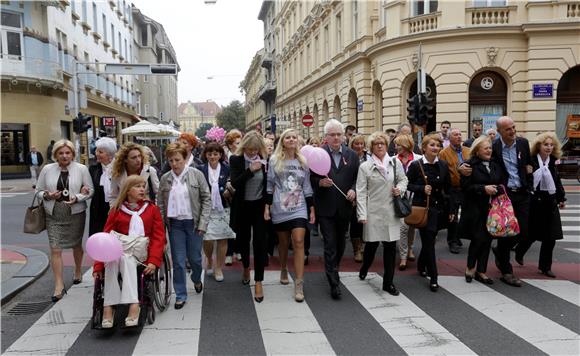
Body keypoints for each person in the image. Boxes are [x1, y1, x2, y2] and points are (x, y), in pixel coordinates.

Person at [93, 176, 165, 327]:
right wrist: (98, 265)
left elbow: (159, 237)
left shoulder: (152, 209)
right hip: (120, 252)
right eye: (137, 186)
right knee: (114, 259)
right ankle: (109, 306)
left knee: (127, 259)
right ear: (127, 191)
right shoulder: (117, 210)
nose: (142, 189)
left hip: (142, 254)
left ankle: (134, 304)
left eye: (143, 186)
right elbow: (105, 239)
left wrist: (153, 261)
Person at [36, 139, 94, 302]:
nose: (64, 156)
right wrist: (47, 195)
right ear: (55, 155)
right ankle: (59, 285)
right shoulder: (47, 169)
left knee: (76, 244)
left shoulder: (81, 169)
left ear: (73, 154)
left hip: (75, 212)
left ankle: (77, 271)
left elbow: (91, 190)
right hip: (53, 213)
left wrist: (78, 197)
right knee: (55, 248)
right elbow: (39, 190)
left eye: (67, 153)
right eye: (61, 153)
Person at [310, 119, 359, 299]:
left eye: (339, 134)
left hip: (345, 206)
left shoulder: (352, 155)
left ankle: (334, 267)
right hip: (326, 207)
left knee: (340, 244)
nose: (336, 137)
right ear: (326, 137)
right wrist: (319, 182)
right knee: (330, 244)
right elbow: (310, 178)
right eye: (332, 135)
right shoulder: (318, 154)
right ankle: (333, 281)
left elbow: (357, 177)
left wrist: (353, 189)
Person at [158, 143, 211, 309]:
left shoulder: (196, 175)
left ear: (184, 158)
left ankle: (196, 278)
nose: (174, 163)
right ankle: (180, 294)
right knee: (179, 261)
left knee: (195, 258)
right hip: (175, 225)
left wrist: (203, 223)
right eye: (171, 160)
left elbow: (206, 199)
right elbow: (160, 203)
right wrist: (161, 225)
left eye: (177, 160)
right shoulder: (165, 178)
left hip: (193, 223)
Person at [264, 128, 315, 302]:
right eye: (288, 137)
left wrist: (312, 208)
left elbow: (307, 186)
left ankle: (299, 283)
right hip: (280, 206)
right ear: (283, 141)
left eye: (294, 137)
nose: (292, 140)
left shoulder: (303, 161)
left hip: (299, 206)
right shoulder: (274, 160)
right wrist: (267, 207)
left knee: (299, 241)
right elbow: (270, 185)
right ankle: (284, 267)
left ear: (298, 141)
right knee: (283, 243)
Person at [357, 132, 407, 296]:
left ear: (387, 146)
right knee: (371, 246)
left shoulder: (394, 163)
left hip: (391, 211)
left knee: (390, 248)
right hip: (373, 212)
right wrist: (362, 214)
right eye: (376, 144)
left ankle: (388, 282)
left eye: (382, 143)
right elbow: (361, 191)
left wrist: (400, 189)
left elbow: (403, 179)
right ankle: (364, 268)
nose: (379, 146)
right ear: (371, 148)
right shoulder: (365, 167)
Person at [406, 133, 454, 292]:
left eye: (438, 145)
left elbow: (449, 189)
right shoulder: (416, 165)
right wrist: (421, 188)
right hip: (423, 209)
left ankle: (421, 265)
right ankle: (434, 277)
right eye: (432, 145)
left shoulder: (443, 165)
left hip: (439, 208)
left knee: (430, 240)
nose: (435, 148)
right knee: (429, 241)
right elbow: (407, 185)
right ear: (424, 147)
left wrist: (452, 209)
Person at [488, 116, 532, 287]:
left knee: (525, 231)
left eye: (513, 127)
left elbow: (528, 164)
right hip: (505, 195)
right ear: (499, 132)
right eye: (508, 129)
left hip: (522, 193)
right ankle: (507, 271)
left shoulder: (523, 143)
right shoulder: (494, 147)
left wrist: (529, 185)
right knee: (507, 233)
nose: (513, 131)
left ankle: (500, 252)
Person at [514, 132, 566, 278]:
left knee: (551, 236)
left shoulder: (552, 161)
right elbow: (525, 179)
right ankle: (519, 251)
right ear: (539, 146)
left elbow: (556, 180)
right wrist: (529, 173)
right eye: (546, 144)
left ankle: (545, 267)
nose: (549, 147)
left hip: (550, 200)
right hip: (533, 200)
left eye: (551, 145)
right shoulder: (531, 160)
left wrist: (561, 197)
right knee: (530, 233)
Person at [459, 136, 504, 285]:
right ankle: (470, 267)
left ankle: (482, 270)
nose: (489, 150)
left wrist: (497, 189)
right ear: (477, 150)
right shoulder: (469, 165)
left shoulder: (495, 164)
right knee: (478, 239)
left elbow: (502, 182)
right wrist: (483, 189)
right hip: (475, 208)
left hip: (492, 209)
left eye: (490, 148)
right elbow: (465, 187)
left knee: (487, 240)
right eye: (486, 148)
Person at [229, 131, 268, 301]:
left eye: (255, 149)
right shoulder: (236, 160)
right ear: (244, 147)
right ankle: (246, 267)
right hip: (242, 207)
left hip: (259, 207)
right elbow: (235, 183)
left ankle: (258, 281)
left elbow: (269, 185)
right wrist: (250, 170)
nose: (252, 153)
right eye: (249, 149)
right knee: (243, 241)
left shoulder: (265, 160)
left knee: (260, 244)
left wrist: (268, 205)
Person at [199, 142, 236, 282]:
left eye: (215, 154)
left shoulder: (227, 168)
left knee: (222, 238)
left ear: (220, 155)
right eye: (210, 154)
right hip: (206, 208)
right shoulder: (201, 169)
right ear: (206, 155)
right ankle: (209, 259)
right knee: (207, 238)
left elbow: (233, 183)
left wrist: (230, 189)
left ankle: (218, 267)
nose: (213, 156)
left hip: (224, 208)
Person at [393, 134, 422, 270]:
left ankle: (410, 249)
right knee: (403, 228)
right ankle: (403, 256)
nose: (396, 147)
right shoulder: (393, 160)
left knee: (412, 226)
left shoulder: (418, 159)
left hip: (414, 197)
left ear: (406, 145)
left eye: (398, 145)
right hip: (399, 198)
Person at [438, 128, 469, 254]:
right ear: (449, 138)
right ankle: (452, 241)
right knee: (453, 216)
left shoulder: (468, 151)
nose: (459, 136)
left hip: (466, 188)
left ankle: (458, 236)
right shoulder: (444, 153)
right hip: (453, 189)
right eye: (456, 134)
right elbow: (443, 172)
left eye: (460, 134)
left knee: (464, 215)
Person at [88, 137, 117, 236]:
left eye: (100, 152)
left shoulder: (120, 168)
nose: (97, 154)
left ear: (110, 154)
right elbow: (89, 187)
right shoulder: (93, 169)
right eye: (96, 151)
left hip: (116, 209)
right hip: (98, 211)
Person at [348, 134, 370, 263]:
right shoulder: (348, 157)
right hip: (353, 193)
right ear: (352, 144)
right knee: (355, 221)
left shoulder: (369, 157)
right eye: (357, 144)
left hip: (367, 193)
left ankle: (363, 245)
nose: (360, 146)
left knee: (365, 221)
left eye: (362, 143)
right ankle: (357, 249)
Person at [224, 129, 243, 265]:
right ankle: (229, 252)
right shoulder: (225, 158)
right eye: (237, 142)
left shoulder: (243, 156)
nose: (240, 144)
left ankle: (239, 250)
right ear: (230, 145)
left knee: (240, 223)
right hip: (226, 195)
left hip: (239, 194)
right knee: (229, 224)